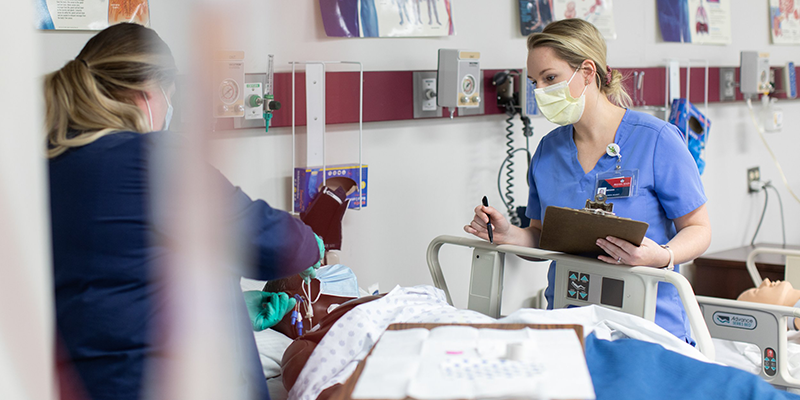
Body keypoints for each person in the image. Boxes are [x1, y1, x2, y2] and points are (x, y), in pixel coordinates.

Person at [46, 23, 322, 400]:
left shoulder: (49, 164)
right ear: (147, 93)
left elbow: (114, 278)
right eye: (168, 97)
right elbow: (282, 246)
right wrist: (311, 240)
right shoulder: (152, 160)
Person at [464, 19, 711, 343]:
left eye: (550, 78)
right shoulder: (548, 151)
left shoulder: (656, 140)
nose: (540, 91)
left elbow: (699, 229)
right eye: (534, 82)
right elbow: (541, 237)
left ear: (587, 72)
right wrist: (508, 234)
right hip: (570, 322)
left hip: (649, 326)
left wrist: (661, 255)